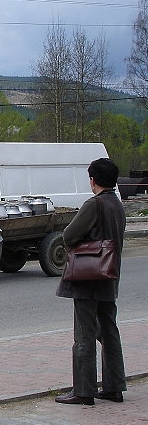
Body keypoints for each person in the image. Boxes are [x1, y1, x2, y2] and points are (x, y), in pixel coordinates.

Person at [55, 157, 126, 406]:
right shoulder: (117, 204)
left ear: (92, 179)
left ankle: (84, 390)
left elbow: (69, 235)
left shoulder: (93, 204)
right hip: (109, 275)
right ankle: (114, 387)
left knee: (84, 335)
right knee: (109, 332)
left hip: (88, 277)